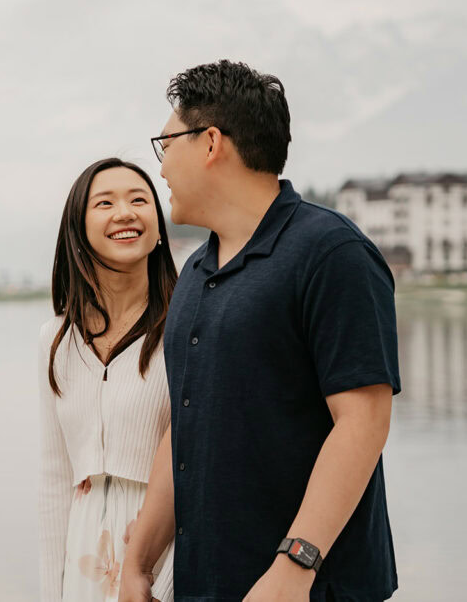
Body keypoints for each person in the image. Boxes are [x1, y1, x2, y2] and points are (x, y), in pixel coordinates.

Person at [120, 60, 401, 602]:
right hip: (207, 583)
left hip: (312, 588)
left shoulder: (331, 252)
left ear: (210, 144)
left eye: (166, 144)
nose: (161, 169)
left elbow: (363, 420)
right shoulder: (196, 272)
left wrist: (295, 565)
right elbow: (185, 425)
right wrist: (139, 562)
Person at [38, 158, 178, 602]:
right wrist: (52, 591)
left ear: (158, 229)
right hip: (84, 554)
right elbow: (55, 479)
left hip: (164, 547)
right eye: (105, 202)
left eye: (140, 200)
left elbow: (202, 464)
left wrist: (167, 577)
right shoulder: (55, 340)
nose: (125, 212)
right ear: (78, 230)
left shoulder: (186, 326)